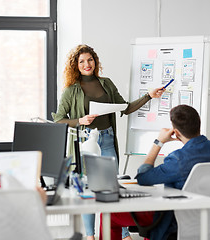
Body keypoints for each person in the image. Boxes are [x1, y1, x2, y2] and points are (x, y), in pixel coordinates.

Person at [52, 44, 165, 240]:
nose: (87, 64)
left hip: (107, 139)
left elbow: (126, 108)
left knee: (112, 189)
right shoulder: (71, 90)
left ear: (95, 61)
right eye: (82, 61)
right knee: (89, 190)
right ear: (75, 66)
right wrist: (79, 120)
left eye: (90, 60)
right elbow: (58, 119)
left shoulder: (106, 83)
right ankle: (90, 236)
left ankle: (122, 233)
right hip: (87, 141)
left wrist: (149, 95)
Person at [99, 105, 210, 240]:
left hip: (173, 222)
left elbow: (143, 178)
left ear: (175, 132)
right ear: (198, 123)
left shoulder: (178, 159)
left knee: (108, 213)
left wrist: (158, 142)